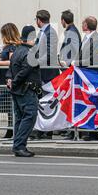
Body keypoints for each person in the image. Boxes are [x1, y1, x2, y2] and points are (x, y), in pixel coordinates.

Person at [7, 25, 41, 157]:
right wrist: (14, 82)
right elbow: (25, 71)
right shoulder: (30, 52)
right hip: (26, 90)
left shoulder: (17, 51)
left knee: (20, 118)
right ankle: (19, 146)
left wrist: (10, 80)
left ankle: (18, 145)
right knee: (29, 116)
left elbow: (10, 68)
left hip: (18, 90)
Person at [0, 23, 21, 139]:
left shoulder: (12, 47)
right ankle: (9, 129)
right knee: (7, 106)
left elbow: (12, 61)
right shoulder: (9, 46)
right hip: (4, 79)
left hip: (8, 78)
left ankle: (11, 130)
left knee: (10, 106)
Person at [32, 10, 59, 140]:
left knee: (47, 102)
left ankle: (47, 131)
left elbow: (50, 53)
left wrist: (36, 62)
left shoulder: (50, 33)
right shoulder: (43, 32)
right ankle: (42, 130)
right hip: (42, 73)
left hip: (48, 73)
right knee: (43, 102)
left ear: (38, 19)